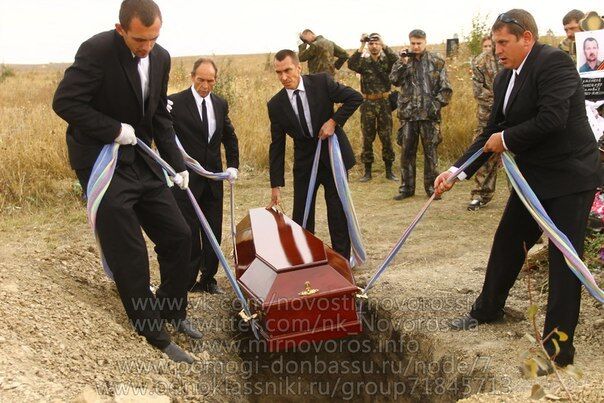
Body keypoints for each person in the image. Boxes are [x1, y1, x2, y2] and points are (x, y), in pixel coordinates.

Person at [435, 9, 601, 372]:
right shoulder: (504, 79)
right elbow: (489, 133)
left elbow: (552, 119)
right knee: (509, 239)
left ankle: (558, 351)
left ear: (527, 38)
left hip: (571, 178)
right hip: (533, 180)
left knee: (564, 262)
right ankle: (488, 309)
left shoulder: (553, 62)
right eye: (495, 43)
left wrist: (506, 139)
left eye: (503, 42)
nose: (497, 50)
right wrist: (454, 171)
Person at [52, 0, 201, 363]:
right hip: (103, 160)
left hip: (141, 160)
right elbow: (65, 102)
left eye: (153, 38)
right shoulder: (97, 50)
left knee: (179, 234)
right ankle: (152, 330)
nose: (147, 47)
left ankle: (171, 309)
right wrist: (113, 129)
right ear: (121, 30)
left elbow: (159, 117)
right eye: (139, 39)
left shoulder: (161, 57)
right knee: (129, 247)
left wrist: (176, 163)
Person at [267, 49, 363, 259]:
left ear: (299, 67)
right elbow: (277, 146)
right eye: (278, 72)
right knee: (302, 216)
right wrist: (275, 185)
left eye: (288, 70)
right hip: (305, 164)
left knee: (337, 213)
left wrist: (333, 122)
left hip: (332, 158)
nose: (283, 77)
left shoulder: (321, 83)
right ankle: (305, 262)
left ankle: (342, 263)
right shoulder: (275, 104)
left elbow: (355, 98)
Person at [169, 58, 239, 295]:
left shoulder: (220, 104)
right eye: (201, 80)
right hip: (185, 181)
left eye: (210, 81)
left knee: (213, 231)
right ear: (192, 77)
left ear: (215, 80)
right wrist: (174, 170)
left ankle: (208, 278)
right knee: (188, 232)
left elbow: (229, 137)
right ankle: (188, 281)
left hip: (213, 180)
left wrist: (233, 166)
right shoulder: (174, 103)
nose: (205, 85)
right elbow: (166, 139)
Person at [390, 29, 452, 200]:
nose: (416, 46)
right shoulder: (403, 62)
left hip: (429, 117)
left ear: (425, 42)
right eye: (413, 43)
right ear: (409, 43)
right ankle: (406, 188)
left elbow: (446, 89)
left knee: (430, 153)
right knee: (406, 153)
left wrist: (435, 106)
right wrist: (402, 61)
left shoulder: (436, 61)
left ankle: (432, 188)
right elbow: (394, 80)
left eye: (419, 43)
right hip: (408, 116)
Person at [347, 33, 398, 182]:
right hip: (368, 103)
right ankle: (367, 172)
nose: (374, 46)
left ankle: (389, 170)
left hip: (384, 102)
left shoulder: (387, 60)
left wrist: (385, 44)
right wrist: (361, 44)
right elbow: (351, 64)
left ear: (380, 45)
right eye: (371, 44)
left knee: (386, 136)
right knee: (367, 137)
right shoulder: (364, 62)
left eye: (377, 43)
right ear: (368, 46)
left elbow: (397, 61)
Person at [467, 36, 502, 211]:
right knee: (484, 154)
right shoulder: (480, 61)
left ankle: (520, 198)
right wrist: (500, 103)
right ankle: (480, 194)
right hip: (487, 117)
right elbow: (478, 91)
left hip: (514, 118)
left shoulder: (512, 60)